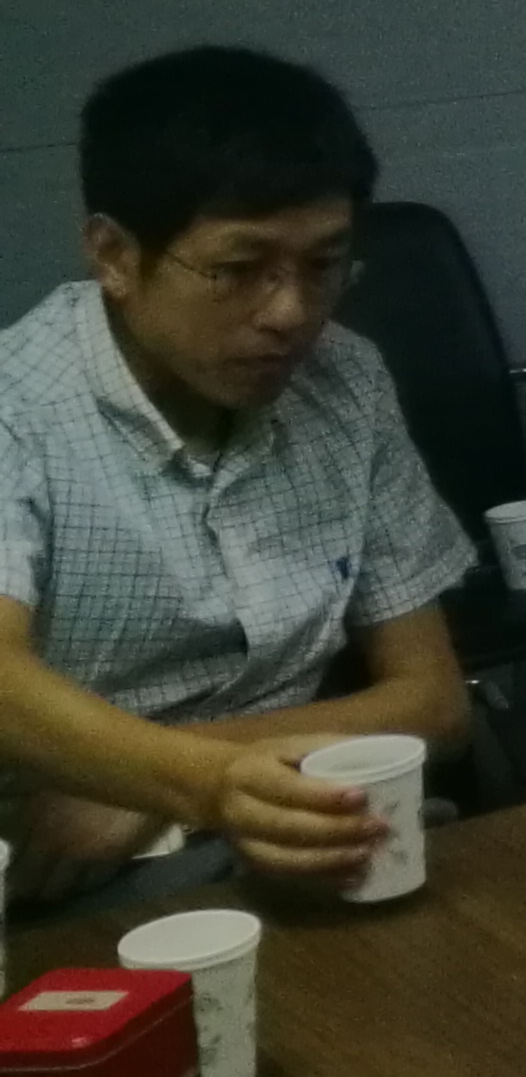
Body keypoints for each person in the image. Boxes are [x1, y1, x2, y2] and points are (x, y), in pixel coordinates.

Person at [0, 50, 466, 905]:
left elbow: (432, 701)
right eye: (236, 270)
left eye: (323, 265)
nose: (289, 313)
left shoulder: (346, 381)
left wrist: (160, 783)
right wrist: (195, 784)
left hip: (296, 818)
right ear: (114, 255)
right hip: (57, 874)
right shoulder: (17, 408)